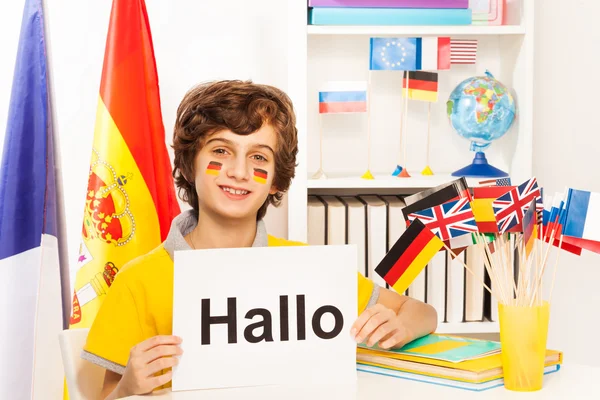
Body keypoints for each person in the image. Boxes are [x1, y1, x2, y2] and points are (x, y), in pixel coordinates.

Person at [82, 80, 438, 399]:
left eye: (258, 157)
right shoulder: (138, 279)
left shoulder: (309, 269)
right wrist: (128, 386)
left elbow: (422, 313)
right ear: (189, 165)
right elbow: (108, 393)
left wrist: (402, 324)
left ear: (276, 180)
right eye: (220, 152)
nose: (239, 171)